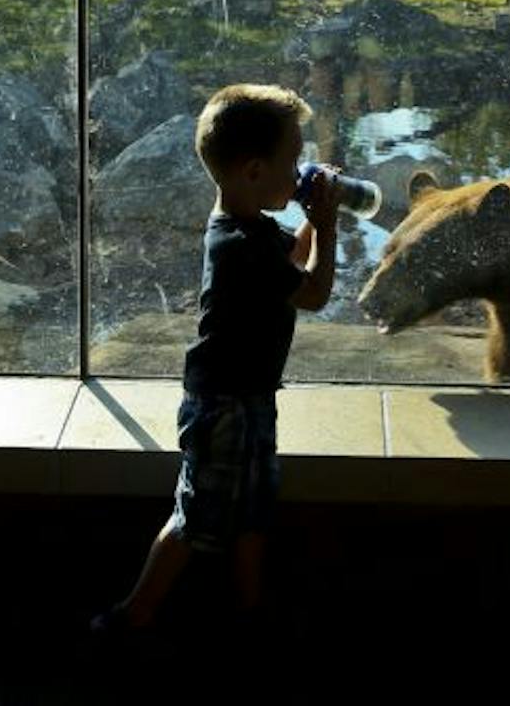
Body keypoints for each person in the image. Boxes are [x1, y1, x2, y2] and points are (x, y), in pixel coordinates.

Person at [90, 83, 341, 638]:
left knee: (253, 510)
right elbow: (313, 292)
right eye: (292, 161)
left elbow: (293, 259)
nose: (298, 173)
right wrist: (327, 225)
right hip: (223, 405)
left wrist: (311, 218)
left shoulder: (246, 224)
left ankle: (247, 609)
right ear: (254, 171)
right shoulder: (239, 244)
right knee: (196, 516)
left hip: (248, 398)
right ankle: (135, 614)